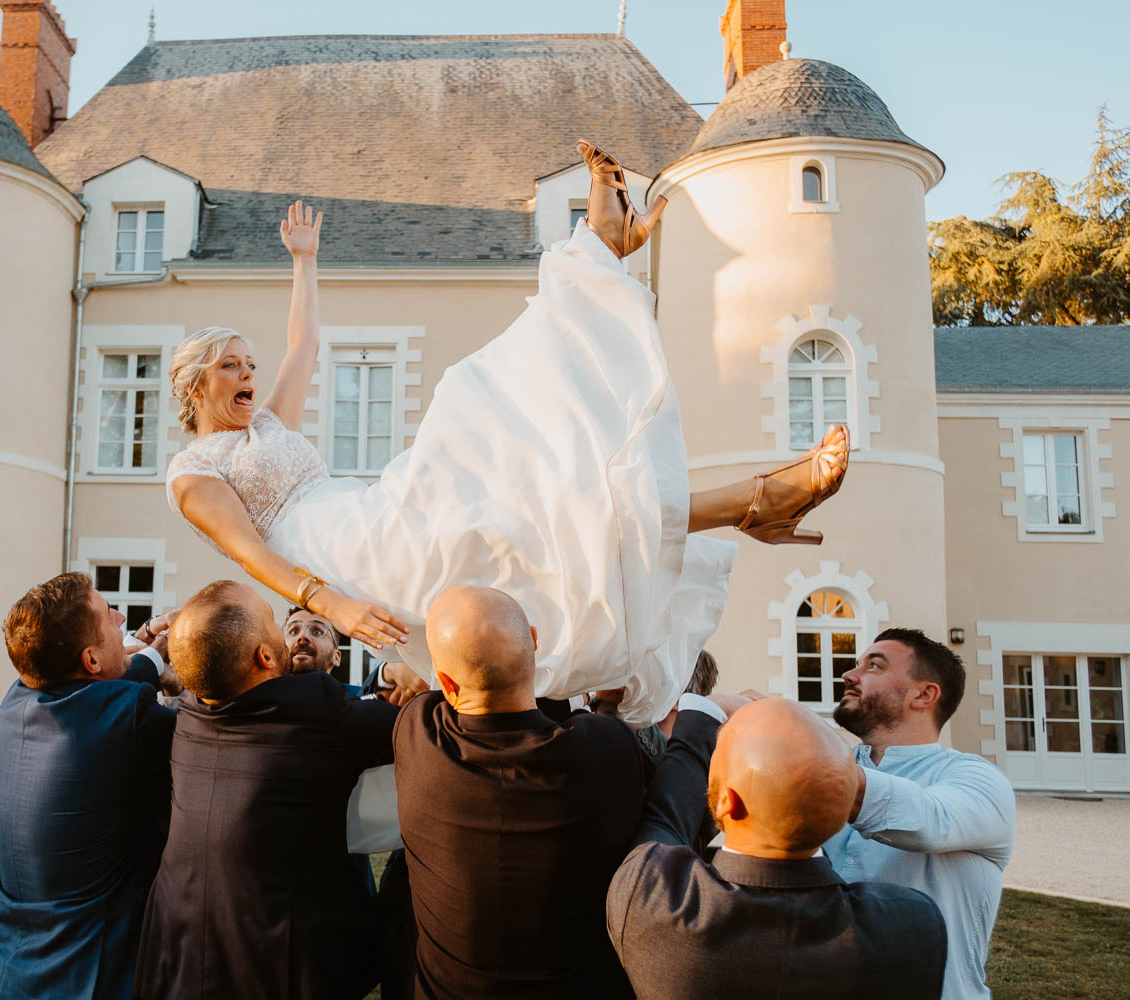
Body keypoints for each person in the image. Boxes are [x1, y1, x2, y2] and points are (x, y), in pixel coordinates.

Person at [163, 139, 849, 724]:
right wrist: (335, 604)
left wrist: (304, 261)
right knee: (502, 490)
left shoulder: (269, 423)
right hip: (339, 550)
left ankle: (746, 492)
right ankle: (748, 498)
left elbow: (305, 344)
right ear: (197, 385)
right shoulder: (193, 473)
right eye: (231, 365)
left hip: (361, 507)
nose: (249, 372)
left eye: (251, 363)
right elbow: (251, 553)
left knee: (528, 491)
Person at [394, 584, 691, 998]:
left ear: (446, 682)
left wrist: (392, 671)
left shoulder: (418, 734)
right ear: (534, 641)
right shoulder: (603, 748)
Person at [135, 581, 400, 1000]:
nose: (290, 636)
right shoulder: (316, 710)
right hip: (274, 969)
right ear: (264, 655)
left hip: (177, 961)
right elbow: (425, 727)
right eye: (277, 625)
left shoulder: (188, 716)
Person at [607, 697, 948, 1000]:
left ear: (726, 802)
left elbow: (664, 821)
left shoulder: (653, 899)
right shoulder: (913, 925)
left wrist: (704, 711)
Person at [0, 573, 177, 1000]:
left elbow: (104, 691)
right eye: (109, 616)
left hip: (9, 971)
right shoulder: (129, 717)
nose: (120, 616)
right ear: (90, 660)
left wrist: (149, 647)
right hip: (87, 973)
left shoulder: (16, 700)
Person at [828, 628, 1016, 1000]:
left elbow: (928, 821)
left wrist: (789, 745)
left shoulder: (977, 779)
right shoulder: (834, 763)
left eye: (874, 666)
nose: (849, 675)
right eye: (856, 665)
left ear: (924, 694)